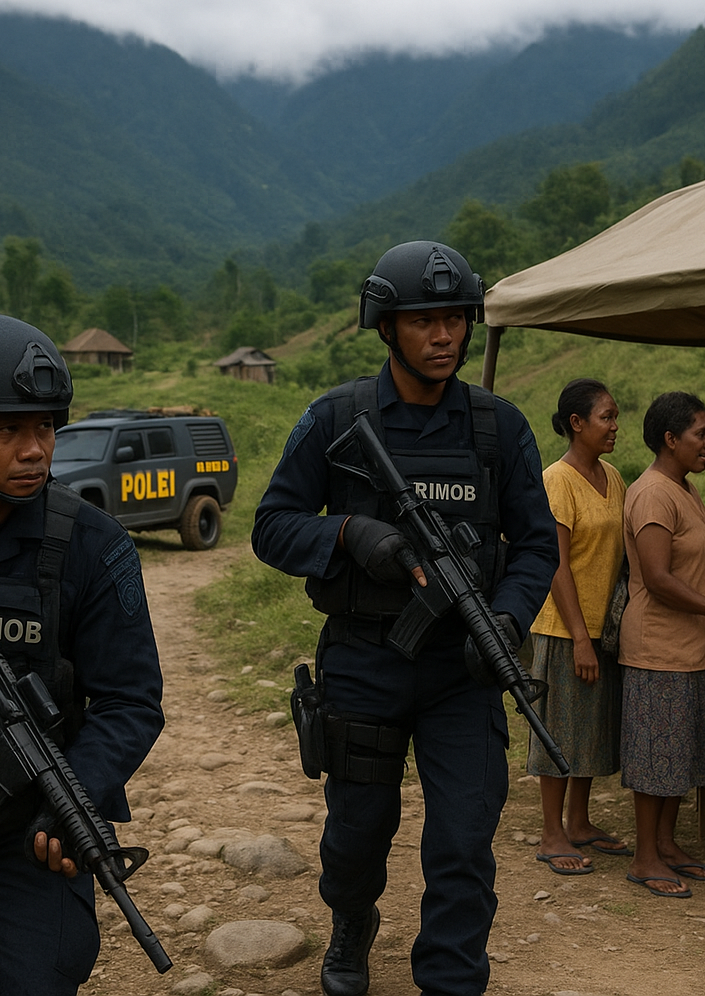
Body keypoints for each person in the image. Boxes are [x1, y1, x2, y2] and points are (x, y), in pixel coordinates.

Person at [252, 241, 557, 996]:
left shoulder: (498, 429)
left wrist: (510, 624)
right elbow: (272, 525)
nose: (445, 335)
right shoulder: (336, 418)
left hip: (465, 671)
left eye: (456, 318)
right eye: (425, 320)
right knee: (357, 836)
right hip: (364, 662)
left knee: (462, 844)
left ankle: (451, 979)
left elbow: (537, 546)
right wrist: (351, 535)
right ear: (386, 326)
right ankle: (351, 923)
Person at [0, 313, 164, 996]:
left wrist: (72, 795)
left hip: (29, 815)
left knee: (51, 972)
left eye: (45, 427)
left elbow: (131, 702)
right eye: (8, 429)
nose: (34, 450)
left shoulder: (95, 545)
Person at [618, 391, 705, 898]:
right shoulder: (654, 493)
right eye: (701, 433)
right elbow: (655, 577)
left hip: (691, 646)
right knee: (657, 754)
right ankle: (644, 856)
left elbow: (688, 570)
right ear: (670, 439)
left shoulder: (685, 489)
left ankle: (668, 846)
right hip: (659, 647)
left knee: (678, 754)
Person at [528, 379, 627, 877]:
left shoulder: (613, 476)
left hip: (601, 629)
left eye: (614, 416)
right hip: (565, 629)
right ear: (577, 423)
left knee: (588, 726)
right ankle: (551, 832)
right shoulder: (557, 481)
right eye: (606, 417)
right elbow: (555, 564)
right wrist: (581, 638)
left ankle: (580, 822)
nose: (615, 426)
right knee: (559, 729)